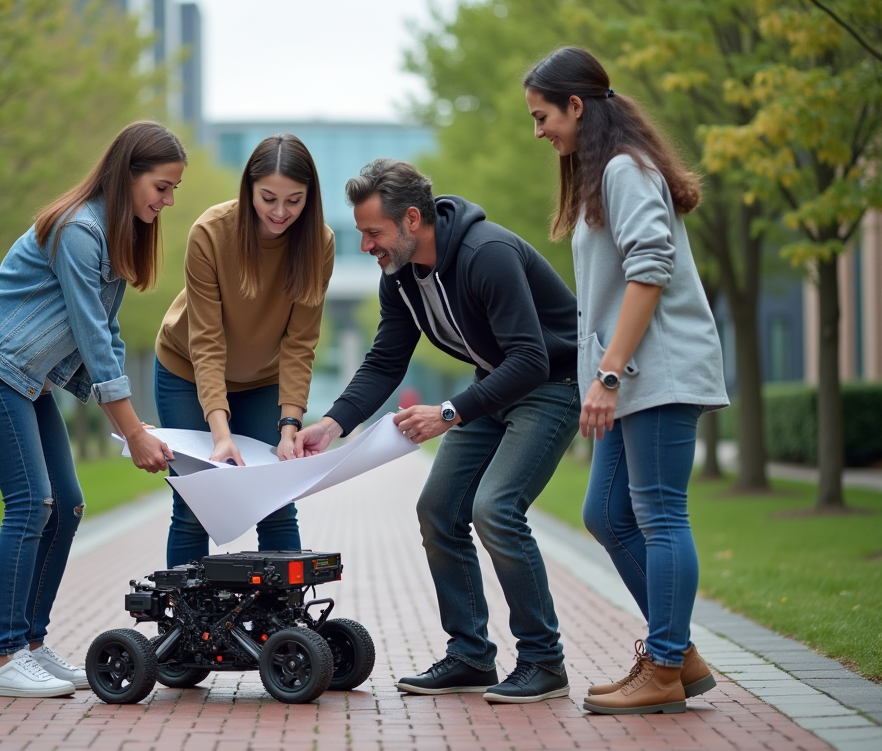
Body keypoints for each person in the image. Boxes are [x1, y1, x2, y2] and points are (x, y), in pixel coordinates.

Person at [294, 158, 581, 704]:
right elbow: (385, 360)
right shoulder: (398, 278)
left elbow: (532, 359)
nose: (367, 246)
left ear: (410, 220)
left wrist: (448, 412)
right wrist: (332, 424)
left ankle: (544, 662)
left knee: (494, 508)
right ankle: (471, 656)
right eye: (361, 233)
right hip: (495, 387)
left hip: (549, 385)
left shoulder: (485, 254)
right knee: (438, 509)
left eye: (373, 233)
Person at [0, 121, 184, 697]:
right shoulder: (80, 230)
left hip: (23, 377)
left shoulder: (112, 234)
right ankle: (4, 662)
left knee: (68, 505)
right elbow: (92, 335)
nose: (168, 200)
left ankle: (32, 644)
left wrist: (132, 428)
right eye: (162, 186)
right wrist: (129, 430)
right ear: (128, 175)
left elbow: (100, 332)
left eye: (174, 188)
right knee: (32, 503)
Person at [524, 46, 728, 715]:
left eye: (543, 116)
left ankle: (666, 664)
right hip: (629, 377)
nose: (540, 132)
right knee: (605, 513)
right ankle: (679, 653)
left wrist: (608, 374)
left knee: (661, 514)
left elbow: (651, 267)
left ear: (576, 106)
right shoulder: (601, 174)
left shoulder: (623, 169)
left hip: (657, 371)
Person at [155, 134, 335, 567]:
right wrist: (221, 436)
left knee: (275, 500)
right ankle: (185, 629)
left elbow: (300, 343)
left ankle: (283, 630)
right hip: (186, 371)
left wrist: (290, 424)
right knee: (197, 503)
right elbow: (207, 341)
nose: (279, 212)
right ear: (248, 188)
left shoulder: (318, 243)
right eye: (268, 197)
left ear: (309, 199)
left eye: (294, 201)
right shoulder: (211, 234)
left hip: (262, 380)